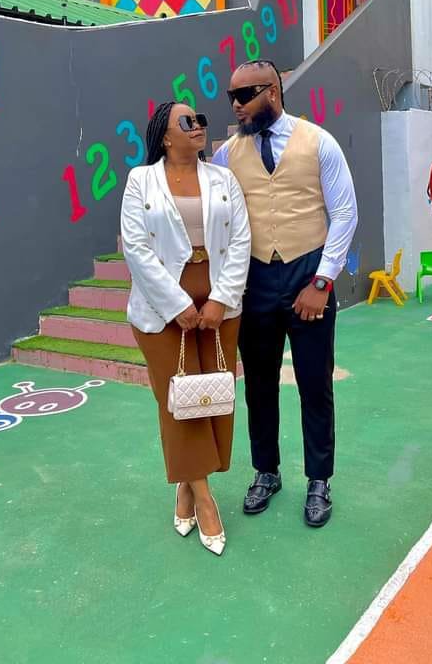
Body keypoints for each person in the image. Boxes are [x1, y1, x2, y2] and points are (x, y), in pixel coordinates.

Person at [212, 61, 358, 528]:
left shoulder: (319, 142)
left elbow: (345, 213)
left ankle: (319, 479)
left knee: (315, 384)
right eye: (231, 97)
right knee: (258, 386)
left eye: (244, 95)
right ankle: (266, 471)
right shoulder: (226, 156)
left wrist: (322, 281)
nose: (236, 106)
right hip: (253, 280)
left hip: (307, 273)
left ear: (272, 91)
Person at [121, 102, 251, 556]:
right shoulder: (141, 181)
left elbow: (240, 240)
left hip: (218, 303)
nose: (197, 126)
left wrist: (220, 299)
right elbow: (136, 248)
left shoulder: (223, 179)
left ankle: (186, 487)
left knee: (212, 396)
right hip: (160, 308)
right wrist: (176, 304)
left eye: (199, 120)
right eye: (186, 122)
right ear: (164, 135)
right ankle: (205, 498)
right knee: (179, 401)